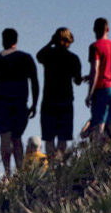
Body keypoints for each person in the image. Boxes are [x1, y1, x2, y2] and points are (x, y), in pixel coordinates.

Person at [0, 28, 39, 176]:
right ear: (16, 40)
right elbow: (34, 82)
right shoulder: (26, 58)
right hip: (20, 103)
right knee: (17, 139)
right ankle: (20, 171)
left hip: (2, 103)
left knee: (5, 138)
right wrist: (35, 104)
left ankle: (8, 172)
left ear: (3, 40)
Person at [36, 27, 83, 158]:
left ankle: (51, 165)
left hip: (49, 101)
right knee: (63, 137)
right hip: (65, 101)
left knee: (49, 137)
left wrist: (50, 43)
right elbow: (77, 81)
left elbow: (38, 55)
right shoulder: (73, 58)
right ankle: (60, 164)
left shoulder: (48, 55)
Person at [85, 18, 111, 146]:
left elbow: (95, 70)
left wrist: (90, 93)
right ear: (108, 29)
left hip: (102, 88)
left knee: (99, 123)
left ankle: (98, 152)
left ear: (94, 30)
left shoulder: (95, 47)